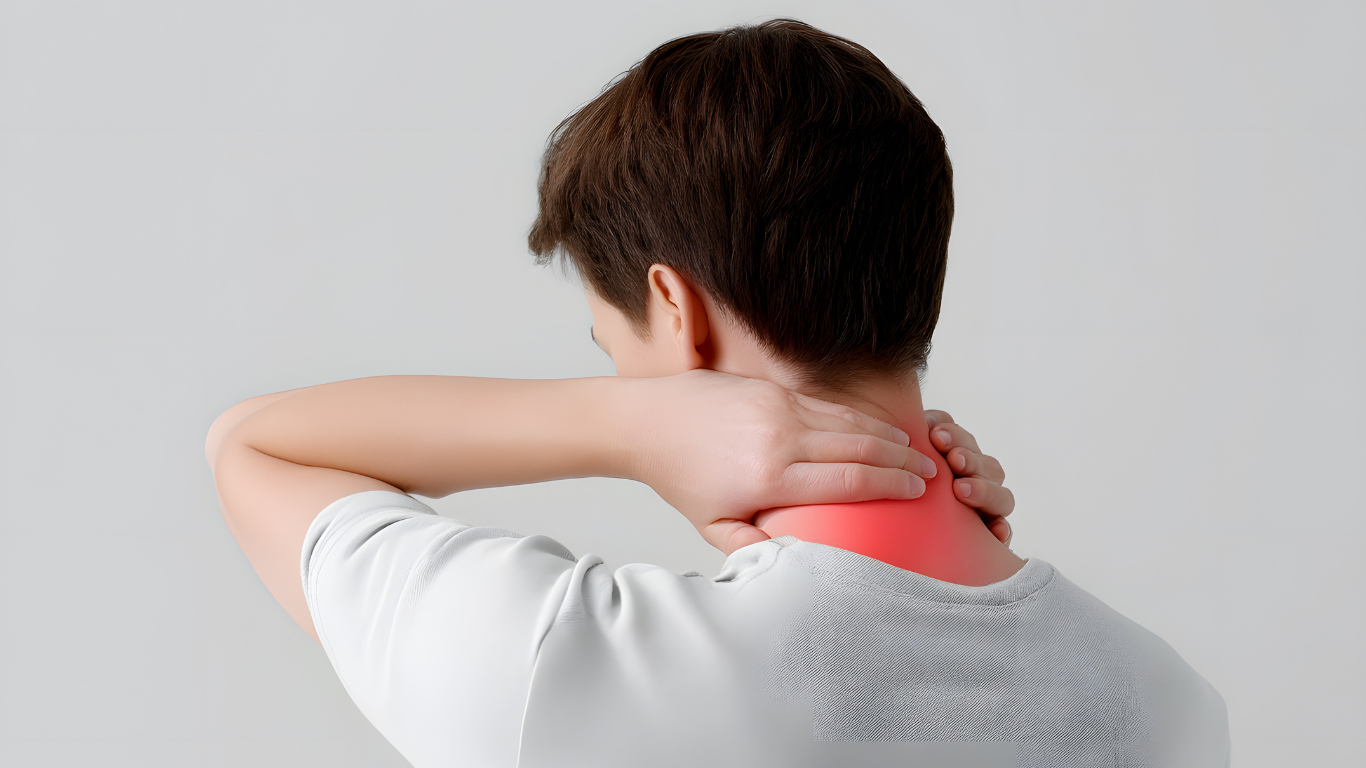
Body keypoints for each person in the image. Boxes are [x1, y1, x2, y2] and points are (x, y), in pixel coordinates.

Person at [205, 18, 1229, 768]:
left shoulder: (557, 665)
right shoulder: (1167, 702)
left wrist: (631, 426)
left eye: (612, 350)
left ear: (676, 309)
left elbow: (252, 446)